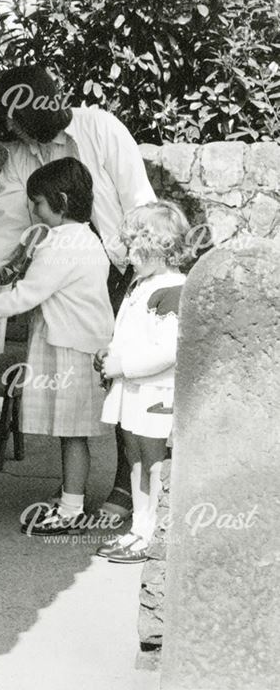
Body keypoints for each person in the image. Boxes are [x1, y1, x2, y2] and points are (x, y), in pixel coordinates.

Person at [0, 64, 156, 522]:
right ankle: (76, 491)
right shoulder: (21, 154)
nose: (9, 128)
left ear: (34, 108)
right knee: (87, 396)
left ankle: (126, 487)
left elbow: (140, 203)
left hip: (124, 268)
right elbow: (8, 223)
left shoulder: (101, 130)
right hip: (70, 279)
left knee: (125, 381)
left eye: (14, 117)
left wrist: (152, 278)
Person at [0, 157, 114, 535]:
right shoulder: (86, 238)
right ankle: (71, 496)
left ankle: (71, 510)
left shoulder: (60, 246)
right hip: (80, 343)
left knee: (73, 432)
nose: (31, 210)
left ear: (61, 201)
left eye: (36, 203)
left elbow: (23, 297)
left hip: (72, 347)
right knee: (72, 431)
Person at [94, 201, 190, 563]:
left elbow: (167, 351)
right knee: (135, 458)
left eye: (136, 246)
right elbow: (132, 333)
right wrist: (109, 354)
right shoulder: (143, 283)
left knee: (152, 462)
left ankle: (150, 532)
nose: (130, 254)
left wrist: (122, 365)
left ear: (158, 247)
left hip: (154, 391)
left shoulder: (173, 289)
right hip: (134, 388)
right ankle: (139, 527)